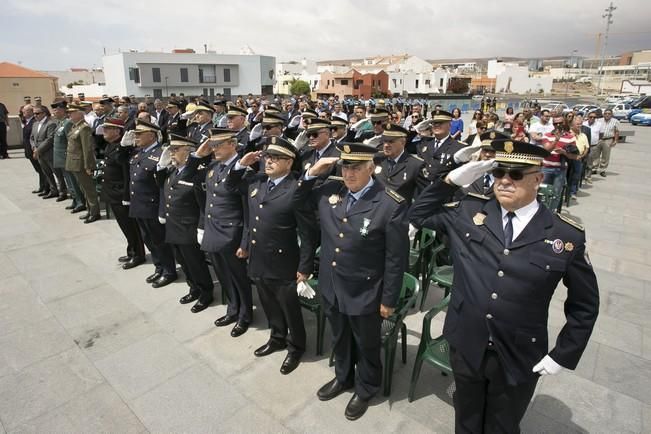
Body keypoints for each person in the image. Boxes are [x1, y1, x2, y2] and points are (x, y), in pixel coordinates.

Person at [410, 138, 599, 434]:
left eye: (516, 174)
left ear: (537, 179)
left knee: (503, 425)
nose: (505, 181)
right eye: (499, 173)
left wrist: (564, 353)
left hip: (518, 354)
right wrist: (448, 180)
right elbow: (417, 214)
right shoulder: (468, 212)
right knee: (466, 419)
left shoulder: (564, 235)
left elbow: (585, 304)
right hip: (467, 343)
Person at [304, 142, 409, 420]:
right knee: (339, 337)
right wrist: (313, 173)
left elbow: (396, 259)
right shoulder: (330, 191)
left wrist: (388, 299)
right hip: (332, 285)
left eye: (356, 168)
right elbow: (295, 201)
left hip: (365, 289)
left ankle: (366, 387)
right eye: (345, 167)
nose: (349, 174)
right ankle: (343, 377)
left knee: (366, 343)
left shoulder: (389, 204)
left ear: (371, 168)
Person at [226, 136, 317, 375]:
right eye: (268, 156)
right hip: (258, 257)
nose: (269, 161)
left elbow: (308, 233)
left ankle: (296, 347)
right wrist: (240, 165)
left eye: (276, 158)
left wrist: (305, 267)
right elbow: (230, 186)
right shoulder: (257, 182)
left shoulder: (296, 188)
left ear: (289, 162)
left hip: (284, 260)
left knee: (289, 307)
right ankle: (277, 337)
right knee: (268, 302)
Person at [194, 128, 253, 336]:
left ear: (233, 144)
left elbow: (248, 212)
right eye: (213, 145)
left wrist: (245, 243)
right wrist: (198, 155)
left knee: (239, 277)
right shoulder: (213, 166)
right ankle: (233, 308)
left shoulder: (244, 171)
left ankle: (245, 314)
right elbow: (192, 178)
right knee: (223, 274)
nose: (214, 149)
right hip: (213, 230)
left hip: (232, 234)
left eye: (219, 144)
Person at [156, 135, 213, 313]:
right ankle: (193, 287)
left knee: (195, 263)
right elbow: (161, 186)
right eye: (171, 149)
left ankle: (205, 292)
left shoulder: (197, 174)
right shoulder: (173, 171)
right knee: (183, 262)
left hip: (189, 227)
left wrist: (202, 227)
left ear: (188, 153)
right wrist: (160, 166)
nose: (171, 153)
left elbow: (203, 204)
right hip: (173, 226)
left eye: (175, 150)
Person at [129, 119, 177, 288]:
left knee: (159, 240)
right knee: (147, 238)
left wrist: (163, 210)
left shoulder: (160, 154)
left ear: (151, 135)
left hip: (153, 205)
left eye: (139, 134)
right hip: (139, 204)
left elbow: (163, 185)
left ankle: (169, 270)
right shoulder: (139, 153)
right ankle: (159, 267)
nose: (136, 137)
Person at [101, 118, 146, 269]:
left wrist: (127, 196)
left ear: (117, 131)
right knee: (124, 226)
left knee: (131, 226)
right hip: (112, 192)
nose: (104, 131)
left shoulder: (125, 147)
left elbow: (126, 174)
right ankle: (131, 250)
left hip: (121, 194)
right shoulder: (112, 145)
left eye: (108, 128)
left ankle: (138, 254)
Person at [373, 123, 428, 203]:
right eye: (385, 141)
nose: (386, 145)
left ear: (403, 142)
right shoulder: (377, 159)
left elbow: (425, 195)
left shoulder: (415, 165)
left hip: (400, 212)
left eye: (391, 141)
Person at [65, 104, 100, 223]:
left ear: (80, 113)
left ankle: (95, 212)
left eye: (72, 112)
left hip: (81, 164)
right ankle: (90, 210)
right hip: (74, 163)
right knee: (83, 188)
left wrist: (88, 166)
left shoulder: (84, 127)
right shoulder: (75, 126)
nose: (69, 114)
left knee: (89, 189)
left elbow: (87, 149)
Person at [541, 117, 579, 211]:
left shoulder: (570, 138)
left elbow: (574, 156)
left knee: (556, 193)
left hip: (560, 169)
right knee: (542, 191)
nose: (558, 125)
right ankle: (541, 212)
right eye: (555, 123)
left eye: (560, 123)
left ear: (564, 123)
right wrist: (556, 140)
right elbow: (547, 150)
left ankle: (551, 213)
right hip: (546, 168)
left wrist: (563, 152)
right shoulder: (547, 135)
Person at [418, 109, 465, 182]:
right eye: (434, 123)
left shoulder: (459, 147)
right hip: (423, 189)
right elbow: (404, 143)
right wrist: (417, 129)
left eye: (441, 122)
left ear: (450, 125)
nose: (436, 125)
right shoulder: (424, 143)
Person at [30, 106, 60, 199]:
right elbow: (31, 138)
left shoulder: (51, 124)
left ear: (44, 113)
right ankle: (53, 190)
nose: (35, 115)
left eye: (37, 113)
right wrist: (34, 147)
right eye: (34, 113)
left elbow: (49, 139)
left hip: (48, 153)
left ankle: (63, 191)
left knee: (57, 173)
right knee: (46, 173)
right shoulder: (35, 124)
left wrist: (38, 150)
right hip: (39, 153)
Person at [591, 108, 620, 178]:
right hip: (599, 139)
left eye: (609, 114)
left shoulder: (615, 121)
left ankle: (602, 170)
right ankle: (594, 168)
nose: (607, 115)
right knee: (596, 154)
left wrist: (615, 141)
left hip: (608, 140)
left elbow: (617, 131)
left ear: (611, 114)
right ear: (603, 114)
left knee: (605, 155)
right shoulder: (599, 120)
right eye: (606, 113)